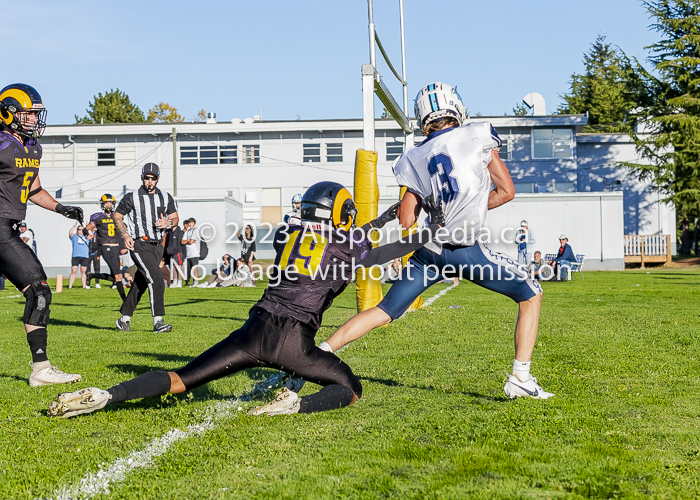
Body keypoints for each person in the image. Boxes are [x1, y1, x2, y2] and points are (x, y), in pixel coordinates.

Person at [47, 181, 439, 419]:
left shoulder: (288, 233)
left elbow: (346, 238)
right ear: (339, 215)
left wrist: (384, 218)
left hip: (254, 330)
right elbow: (380, 251)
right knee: (350, 387)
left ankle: (106, 395)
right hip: (293, 340)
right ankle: (293, 406)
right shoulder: (343, 243)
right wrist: (430, 233)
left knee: (181, 379)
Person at [315, 82, 551, 400]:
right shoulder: (478, 134)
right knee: (530, 293)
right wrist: (470, 207)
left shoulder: (414, 158)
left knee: (384, 310)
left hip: (428, 250)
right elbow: (506, 191)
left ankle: (320, 352)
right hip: (463, 250)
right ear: (455, 106)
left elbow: (407, 220)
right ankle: (520, 378)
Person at [0, 83, 83, 386]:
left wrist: (62, 208)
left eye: (36, 114)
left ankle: (41, 369)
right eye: (28, 113)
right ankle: (42, 370)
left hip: (8, 229)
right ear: (8, 112)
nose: (34, 119)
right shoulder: (1, 143)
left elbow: (34, 189)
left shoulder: (33, 147)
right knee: (39, 291)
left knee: (38, 292)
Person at [113, 163, 179, 333]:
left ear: (158, 179)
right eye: (146, 178)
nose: (149, 181)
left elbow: (175, 217)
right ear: (142, 178)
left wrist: (169, 223)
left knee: (141, 283)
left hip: (157, 246)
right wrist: (125, 235)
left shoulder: (165, 196)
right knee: (156, 278)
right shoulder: (132, 197)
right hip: (139, 244)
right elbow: (117, 216)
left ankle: (124, 319)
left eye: (153, 178)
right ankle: (158, 321)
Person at [81, 194, 126, 300]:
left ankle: (92, 275)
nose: (109, 205)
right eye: (107, 203)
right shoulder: (98, 217)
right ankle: (125, 300)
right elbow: (85, 229)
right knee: (118, 275)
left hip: (116, 248)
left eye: (110, 203)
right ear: (103, 204)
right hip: (106, 247)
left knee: (113, 277)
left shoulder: (117, 216)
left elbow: (124, 229)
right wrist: (88, 233)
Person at [68, 222, 90, 289]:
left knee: (83, 272)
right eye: (79, 229)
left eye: (82, 230)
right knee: (74, 271)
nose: (81, 231)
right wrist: (74, 225)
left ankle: (84, 286)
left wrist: (87, 228)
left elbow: (91, 234)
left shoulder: (86, 237)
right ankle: (70, 286)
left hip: (84, 256)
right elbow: (70, 233)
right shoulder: (74, 237)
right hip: (76, 256)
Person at [165, 221, 185, 287]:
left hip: (177, 252)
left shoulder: (180, 232)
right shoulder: (170, 232)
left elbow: (180, 244)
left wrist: (175, 250)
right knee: (172, 267)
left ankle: (180, 282)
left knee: (178, 267)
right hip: (170, 252)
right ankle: (175, 281)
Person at [181, 218, 200, 286]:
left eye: (192, 223)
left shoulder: (196, 230)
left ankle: (196, 282)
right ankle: (191, 282)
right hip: (188, 253)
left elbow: (192, 241)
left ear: (194, 224)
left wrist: (188, 241)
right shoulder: (187, 231)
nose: (190, 224)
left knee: (194, 267)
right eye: (189, 223)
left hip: (194, 252)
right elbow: (182, 241)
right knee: (189, 268)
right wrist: (188, 241)